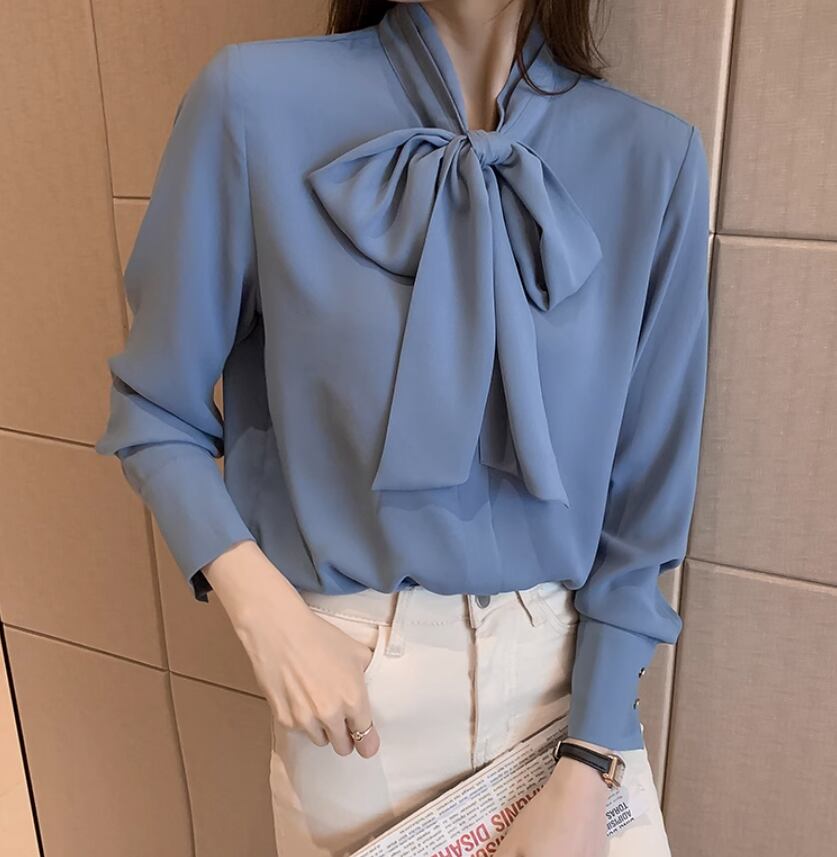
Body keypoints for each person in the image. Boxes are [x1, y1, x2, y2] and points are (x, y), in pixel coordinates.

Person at [94, 0, 710, 855]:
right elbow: (153, 406)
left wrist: (588, 759)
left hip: (573, 701)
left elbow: (645, 507)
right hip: (355, 701)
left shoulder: (654, 156)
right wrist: (264, 610)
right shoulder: (251, 104)